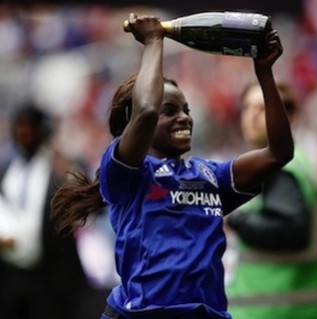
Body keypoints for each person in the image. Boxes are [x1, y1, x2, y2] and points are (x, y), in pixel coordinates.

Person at [50, 13, 293, 319]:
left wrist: (264, 73)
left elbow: (279, 153)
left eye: (186, 110)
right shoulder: (126, 173)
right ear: (135, 124)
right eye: (171, 111)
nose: (184, 118)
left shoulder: (210, 176)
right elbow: (147, 110)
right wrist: (154, 41)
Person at [224, 83, 317, 319]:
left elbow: (291, 230)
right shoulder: (293, 164)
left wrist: (238, 220)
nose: (252, 117)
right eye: (247, 108)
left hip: (280, 309)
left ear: (288, 116)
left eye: (262, 109)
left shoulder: (281, 169)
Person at [0, 104, 89, 319]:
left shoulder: (60, 166)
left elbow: (89, 203)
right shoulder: (6, 169)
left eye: (30, 128)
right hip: (10, 277)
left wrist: (67, 169)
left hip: (51, 279)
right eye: (19, 128)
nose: (24, 134)